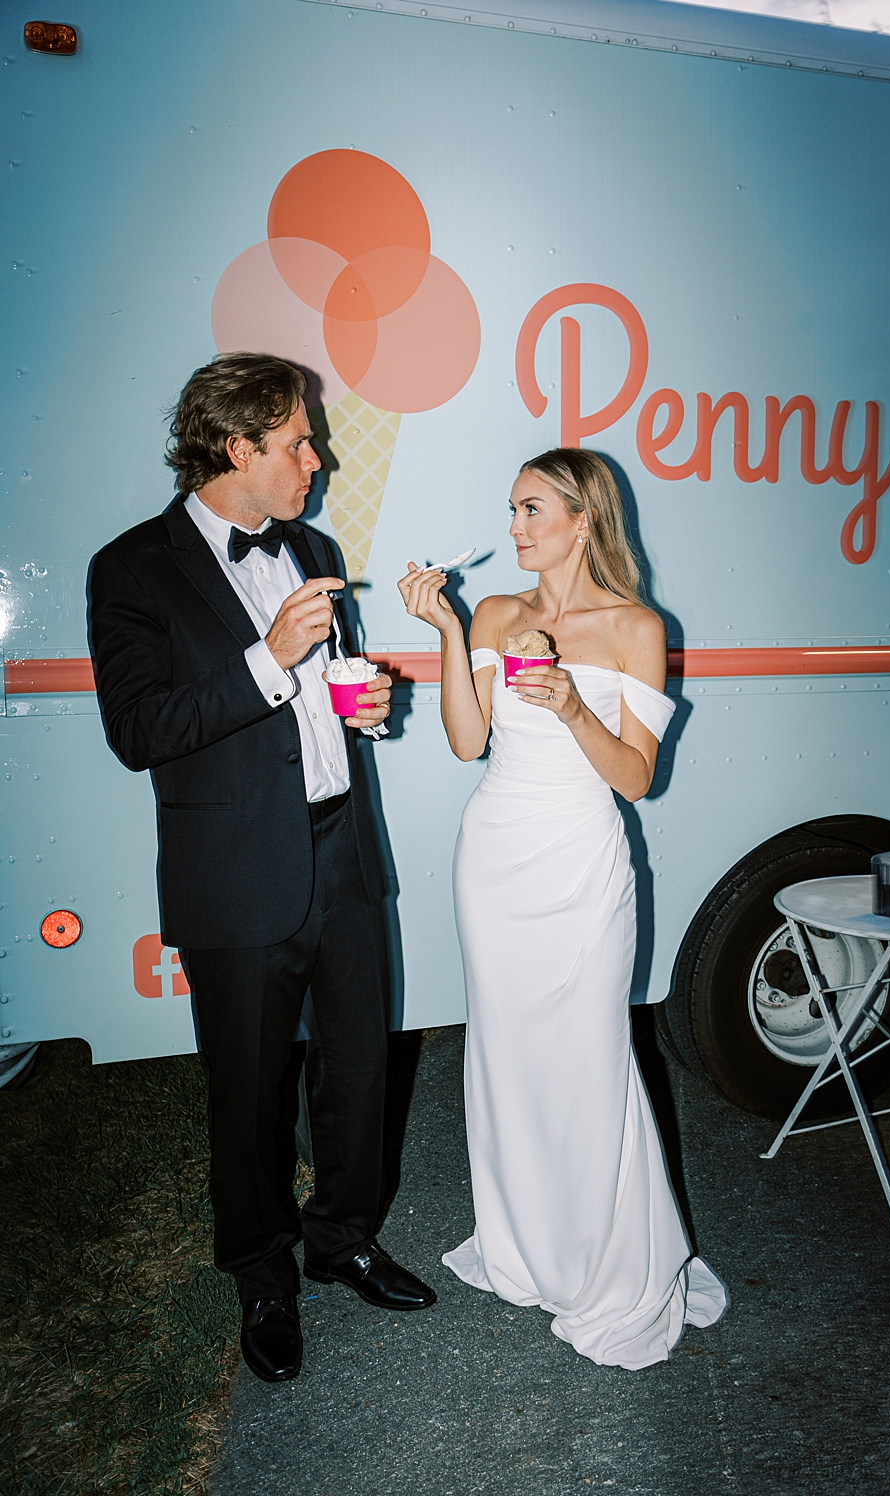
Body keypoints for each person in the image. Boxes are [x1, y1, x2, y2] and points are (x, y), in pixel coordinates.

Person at [88, 352, 435, 1385]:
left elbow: (317, 695)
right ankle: (263, 1276)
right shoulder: (132, 568)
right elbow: (139, 728)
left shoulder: (313, 543)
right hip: (235, 873)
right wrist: (266, 659)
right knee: (246, 1092)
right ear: (238, 447)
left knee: (360, 1069)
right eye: (296, 441)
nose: (316, 459)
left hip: (343, 854)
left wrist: (357, 703)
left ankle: (344, 1237)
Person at [397, 447, 725, 1369]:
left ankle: (611, 1262)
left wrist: (575, 705)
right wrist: (451, 635)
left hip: (582, 862)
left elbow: (636, 778)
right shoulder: (497, 613)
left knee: (589, 1055)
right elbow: (468, 743)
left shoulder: (636, 626)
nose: (515, 528)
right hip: (494, 859)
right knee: (506, 1058)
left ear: (585, 520)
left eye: (532, 510)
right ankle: (529, 1245)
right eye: (511, 511)